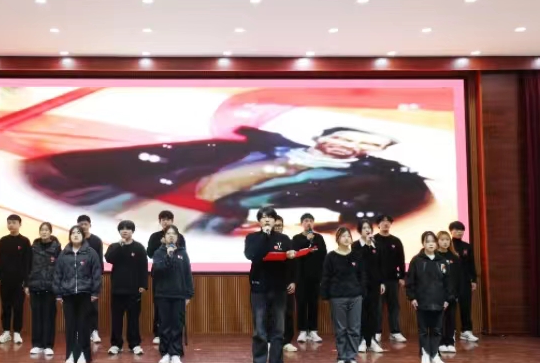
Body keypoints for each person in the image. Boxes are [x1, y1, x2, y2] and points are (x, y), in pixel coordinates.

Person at [22, 126, 431, 235]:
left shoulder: (363, 179)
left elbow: (397, 203)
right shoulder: (255, 146)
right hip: (146, 200)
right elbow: (172, 155)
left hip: (222, 224)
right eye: (346, 136)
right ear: (322, 136)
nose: (351, 146)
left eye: (367, 145)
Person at [245, 206, 295, 363]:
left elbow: (289, 264)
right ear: (259, 221)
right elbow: (251, 255)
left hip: (279, 288)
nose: (267, 220)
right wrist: (264, 237)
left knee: (278, 330)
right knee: (259, 330)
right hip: (259, 287)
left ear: (275, 220)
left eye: (270, 217)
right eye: (263, 217)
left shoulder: (284, 239)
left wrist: (290, 256)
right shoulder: (252, 238)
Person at [53, 225, 102, 363]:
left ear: (83, 236)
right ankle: (70, 355)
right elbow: (57, 274)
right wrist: (58, 293)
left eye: (78, 233)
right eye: (73, 233)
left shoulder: (91, 252)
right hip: (68, 295)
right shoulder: (64, 253)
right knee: (70, 326)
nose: (75, 235)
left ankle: (83, 355)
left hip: (85, 294)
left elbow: (96, 273)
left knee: (83, 325)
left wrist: (95, 292)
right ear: (69, 236)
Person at [321, 227, 365, 363]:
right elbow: (326, 277)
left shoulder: (357, 255)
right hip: (337, 297)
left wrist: (362, 292)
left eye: (348, 236)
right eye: (343, 236)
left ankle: (351, 357)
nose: (347, 238)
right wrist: (325, 295)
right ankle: (341, 356)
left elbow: (362, 276)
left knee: (354, 328)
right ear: (338, 239)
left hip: (355, 296)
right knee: (340, 329)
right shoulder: (331, 256)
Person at [406, 231, 452, 363]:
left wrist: (447, 299)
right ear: (423, 243)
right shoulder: (416, 260)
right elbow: (410, 280)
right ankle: (425, 354)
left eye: (433, 241)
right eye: (428, 241)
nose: (431, 244)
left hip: (439, 301)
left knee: (437, 330)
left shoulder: (442, 261)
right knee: (423, 330)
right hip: (422, 301)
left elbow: (448, 282)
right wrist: (412, 297)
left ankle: (435, 355)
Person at [152, 225, 194, 363]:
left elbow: (187, 274)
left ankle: (175, 353)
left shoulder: (183, 253)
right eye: (168, 234)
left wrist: (189, 294)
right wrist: (168, 256)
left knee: (177, 325)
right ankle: (165, 353)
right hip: (163, 294)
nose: (171, 236)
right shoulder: (159, 253)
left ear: (177, 237)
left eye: (173, 234)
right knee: (164, 325)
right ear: (164, 237)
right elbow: (157, 271)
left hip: (179, 295)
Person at [105, 220, 148, 356]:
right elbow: (109, 259)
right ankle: (116, 344)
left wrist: (143, 285)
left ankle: (134, 344)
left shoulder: (139, 247)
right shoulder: (114, 246)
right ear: (119, 231)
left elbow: (143, 267)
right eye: (122, 228)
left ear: (132, 231)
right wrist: (120, 245)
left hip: (134, 290)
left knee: (133, 319)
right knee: (116, 319)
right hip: (117, 289)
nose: (125, 231)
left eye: (128, 228)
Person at [147, 210, 187, 345]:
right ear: (160, 222)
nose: (165, 222)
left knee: (175, 307)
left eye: (168, 219)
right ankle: (158, 333)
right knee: (159, 305)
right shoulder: (155, 236)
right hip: (159, 274)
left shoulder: (179, 237)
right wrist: (161, 244)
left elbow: (183, 254)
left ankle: (173, 334)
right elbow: (150, 253)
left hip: (176, 275)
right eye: (163, 219)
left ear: (172, 221)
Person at [0, 214, 32, 345]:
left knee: (18, 307)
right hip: (5, 280)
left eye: (14, 222)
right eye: (9, 222)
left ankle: (17, 332)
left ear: (19, 224)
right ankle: (6, 332)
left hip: (19, 282)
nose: (11, 225)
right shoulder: (3, 241)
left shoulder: (25, 241)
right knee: (5, 307)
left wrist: (27, 282)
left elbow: (28, 263)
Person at [26, 222, 61, 356]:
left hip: (50, 288)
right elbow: (28, 267)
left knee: (49, 316)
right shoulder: (33, 248)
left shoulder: (57, 248)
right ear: (39, 232)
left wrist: (58, 286)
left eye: (46, 230)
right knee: (36, 316)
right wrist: (27, 285)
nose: (44, 232)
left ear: (50, 232)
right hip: (35, 287)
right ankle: (37, 344)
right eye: (42, 230)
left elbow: (60, 269)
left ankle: (48, 345)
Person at [291, 212, 327, 343]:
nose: (308, 223)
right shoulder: (296, 238)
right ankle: (302, 331)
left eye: (311, 221)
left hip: (315, 277)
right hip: (300, 277)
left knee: (313, 303)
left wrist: (323, 277)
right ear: (302, 223)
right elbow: (295, 255)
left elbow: (323, 255)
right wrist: (307, 241)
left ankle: (313, 331)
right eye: (306, 221)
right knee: (301, 303)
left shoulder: (319, 238)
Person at [352, 218, 385, 353]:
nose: (367, 230)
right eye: (364, 228)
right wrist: (366, 245)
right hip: (361, 284)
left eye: (369, 228)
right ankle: (362, 340)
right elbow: (358, 261)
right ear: (360, 230)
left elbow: (380, 265)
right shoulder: (355, 246)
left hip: (374, 283)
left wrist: (382, 282)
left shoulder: (376, 245)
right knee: (362, 312)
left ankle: (371, 340)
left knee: (373, 312)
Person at [373, 214, 407, 343]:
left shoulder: (396, 241)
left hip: (393, 279)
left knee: (394, 306)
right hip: (377, 280)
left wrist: (402, 276)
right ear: (378, 224)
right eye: (383, 221)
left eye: (388, 221)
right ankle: (377, 332)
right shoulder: (373, 240)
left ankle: (395, 332)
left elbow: (401, 260)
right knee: (377, 307)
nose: (386, 223)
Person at [269, 216, 298, 352]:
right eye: (276, 226)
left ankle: (286, 341)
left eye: (280, 225)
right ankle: (270, 340)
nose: (278, 228)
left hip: (287, 284)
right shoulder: (265, 241)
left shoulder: (288, 241)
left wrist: (294, 282)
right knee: (270, 313)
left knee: (288, 313)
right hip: (270, 284)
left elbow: (295, 264)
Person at [449, 221, 479, 342]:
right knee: (449, 306)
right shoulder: (447, 245)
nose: (459, 232)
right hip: (451, 281)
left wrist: (474, 280)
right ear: (451, 231)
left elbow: (471, 264)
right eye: (456, 229)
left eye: (461, 230)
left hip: (465, 280)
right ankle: (449, 331)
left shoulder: (467, 246)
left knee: (466, 306)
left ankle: (466, 331)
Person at [77, 215, 104, 344]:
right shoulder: (75, 239)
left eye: (85, 224)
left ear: (90, 225)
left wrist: (98, 278)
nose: (83, 226)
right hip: (78, 279)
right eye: (81, 224)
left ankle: (94, 331)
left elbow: (99, 261)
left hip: (93, 279)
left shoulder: (96, 240)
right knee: (80, 307)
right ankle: (83, 331)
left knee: (93, 307)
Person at [437, 231, 460, 353]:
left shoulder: (454, 257)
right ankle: (440, 342)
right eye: (442, 240)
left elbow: (458, 277)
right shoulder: (435, 257)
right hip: (438, 294)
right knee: (440, 318)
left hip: (452, 294)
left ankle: (450, 342)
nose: (445, 242)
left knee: (451, 318)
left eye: (447, 240)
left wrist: (456, 293)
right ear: (437, 241)